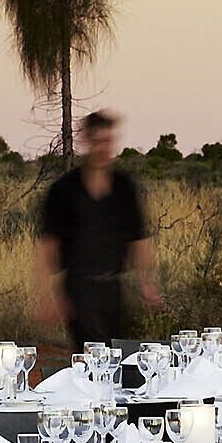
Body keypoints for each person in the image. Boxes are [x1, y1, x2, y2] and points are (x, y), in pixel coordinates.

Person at [34, 111, 161, 350]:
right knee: (93, 353)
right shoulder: (63, 190)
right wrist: (46, 295)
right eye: (99, 142)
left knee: (114, 354)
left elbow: (139, 239)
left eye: (109, 142)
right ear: (87, 142)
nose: (105, 148)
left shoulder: (124, 188)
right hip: (78, 289)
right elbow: (47, 246)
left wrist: (148, 283)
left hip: (113, 289)